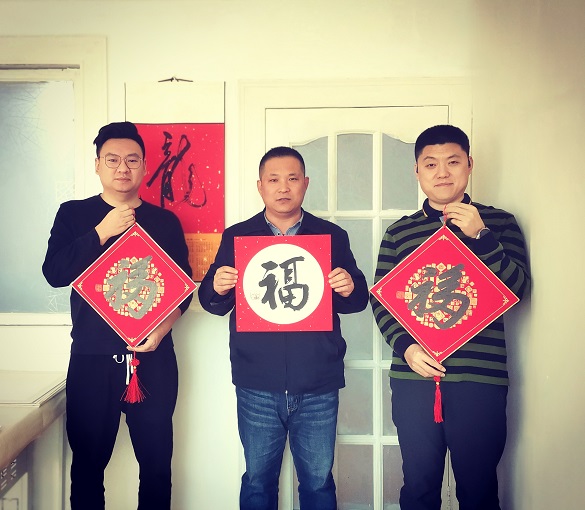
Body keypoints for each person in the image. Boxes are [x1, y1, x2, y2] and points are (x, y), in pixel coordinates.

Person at [198, 146, 368, 509]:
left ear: (305, 183)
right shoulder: (238, 236)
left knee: (318, 482)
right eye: (273, 180)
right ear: (260, 186)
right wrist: (218, 285)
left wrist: (349, 286)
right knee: (258, 481)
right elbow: (212, 302)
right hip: (257, 381)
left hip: (318, 380)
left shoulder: (331, 236)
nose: (283, 187)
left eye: (292, 179)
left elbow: (357, 299)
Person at [370, 125, 530, 510]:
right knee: (418, 488)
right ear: (417, 171)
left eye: (453, 162)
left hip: (480, 378)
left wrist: (482, 236)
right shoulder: (399, 232)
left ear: (469, 165)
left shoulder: (499, 223)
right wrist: (407, 349)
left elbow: (518, 290)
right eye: (431, 164)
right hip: (414, 378)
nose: (442, 173)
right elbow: (382, 301)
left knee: (478, 490)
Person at [42, 121, 193, 510]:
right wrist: (101, 231)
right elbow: (54, 273)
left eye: (132, 160)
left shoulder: (165, 222)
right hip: (91, 359)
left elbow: (183, 290)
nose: (122, 167)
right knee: (88, 467)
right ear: (97, 165)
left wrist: (162, 330)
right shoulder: (74, 214)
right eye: (112, 159)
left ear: (144, 167)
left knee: (156, 468)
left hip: (153, 360)